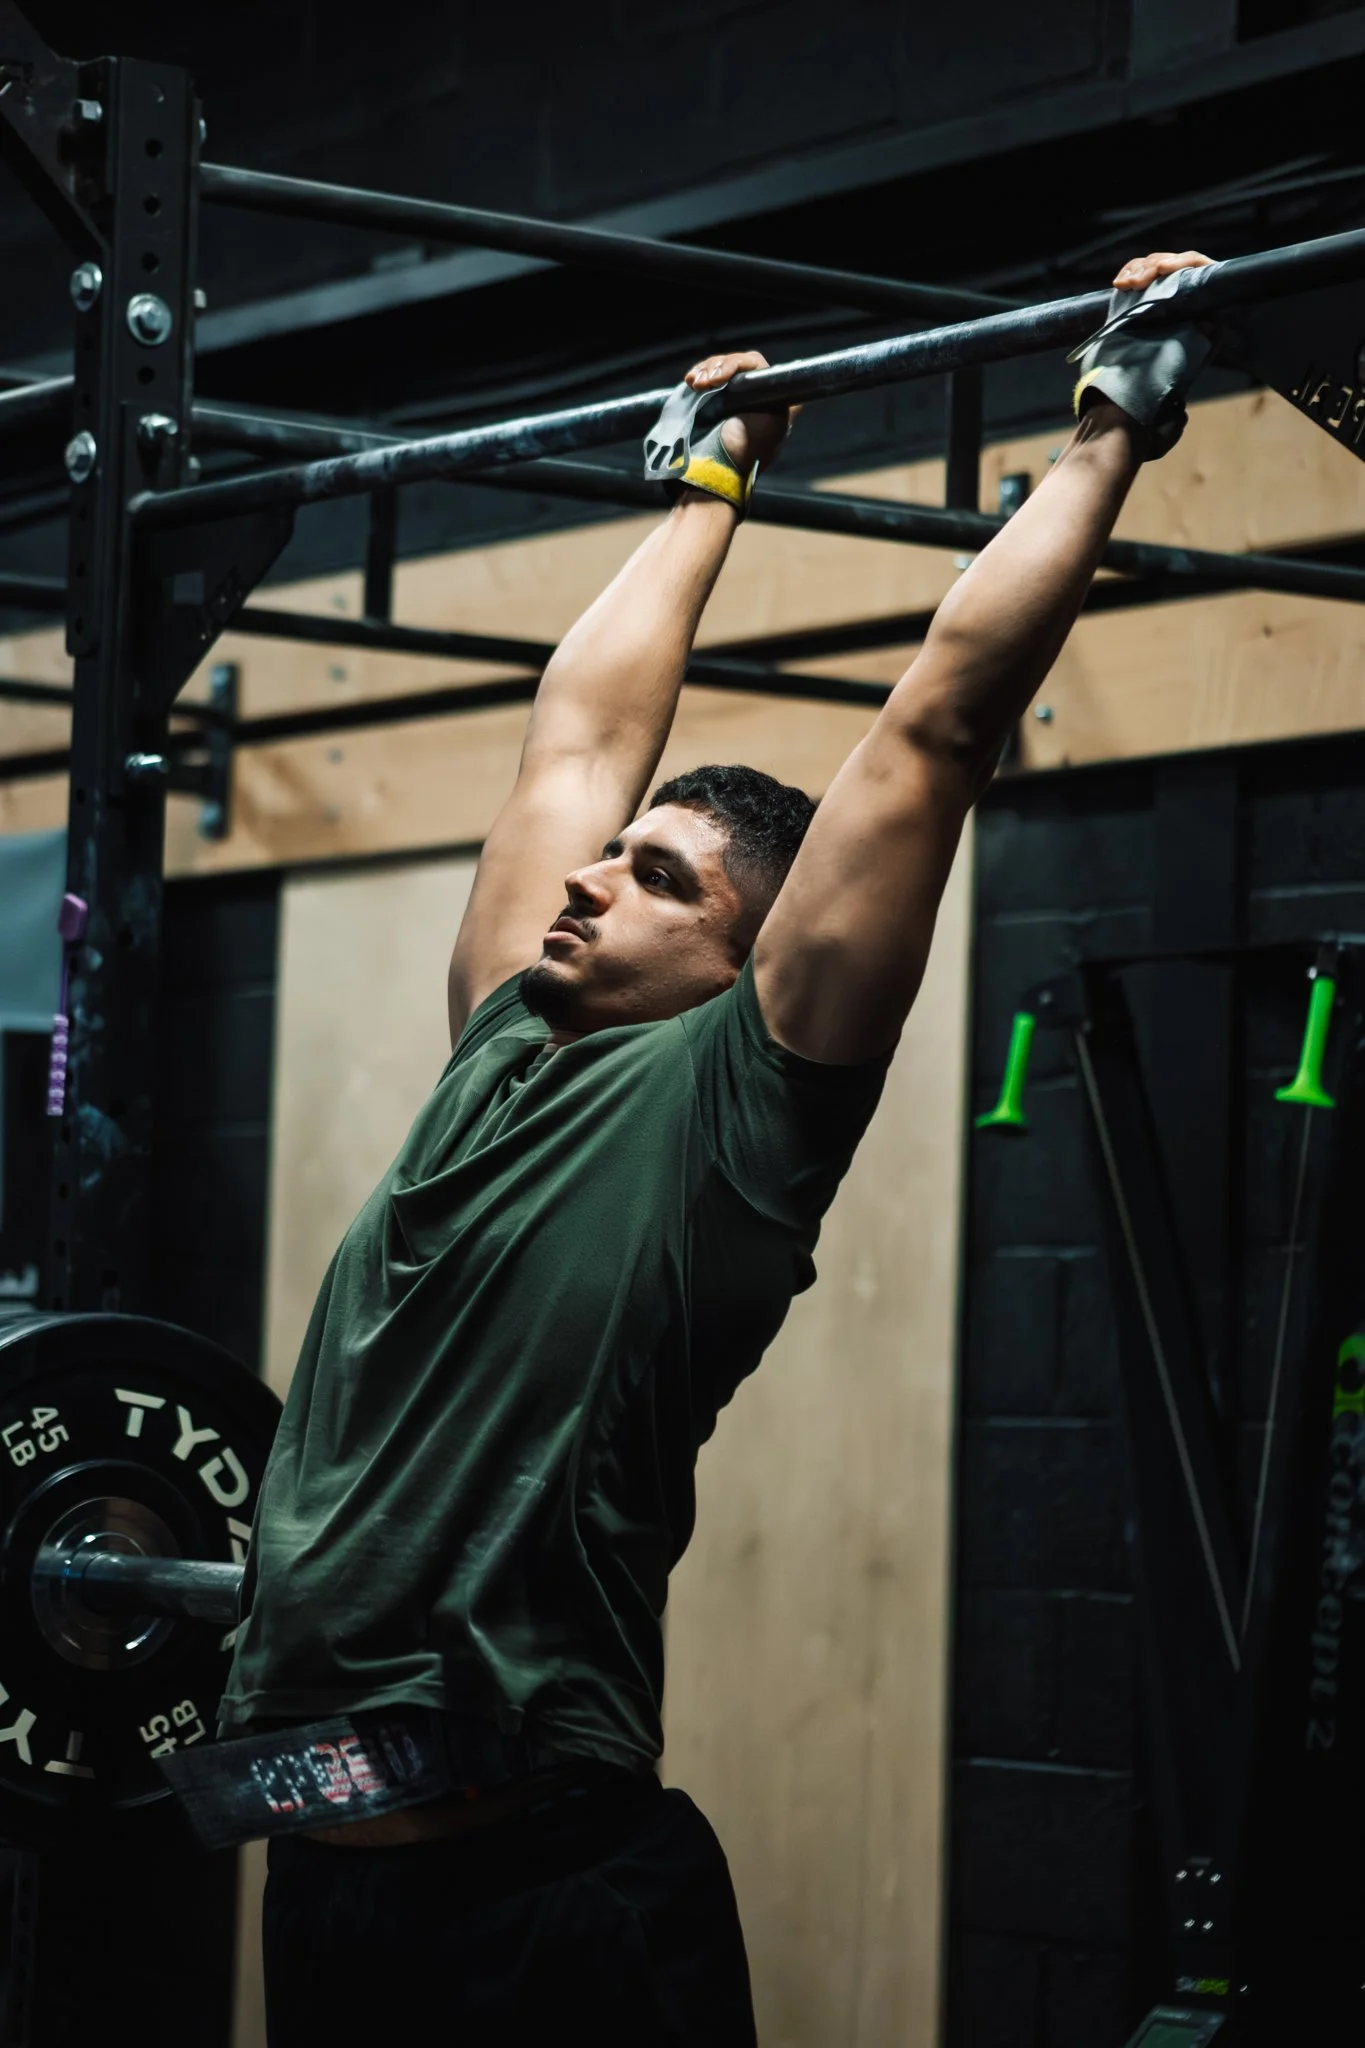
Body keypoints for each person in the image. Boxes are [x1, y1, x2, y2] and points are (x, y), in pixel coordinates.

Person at [221, 248, 1214, 2045]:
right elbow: (580, 739)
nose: (597, 880)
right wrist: (710, 475)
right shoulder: (502, 1035)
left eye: (663, 880)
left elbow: (936, 731)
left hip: (553, 1906)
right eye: (618, 859)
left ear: (758, 965)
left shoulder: (737, 1120)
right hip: (335, 1884)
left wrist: (1106, 426)